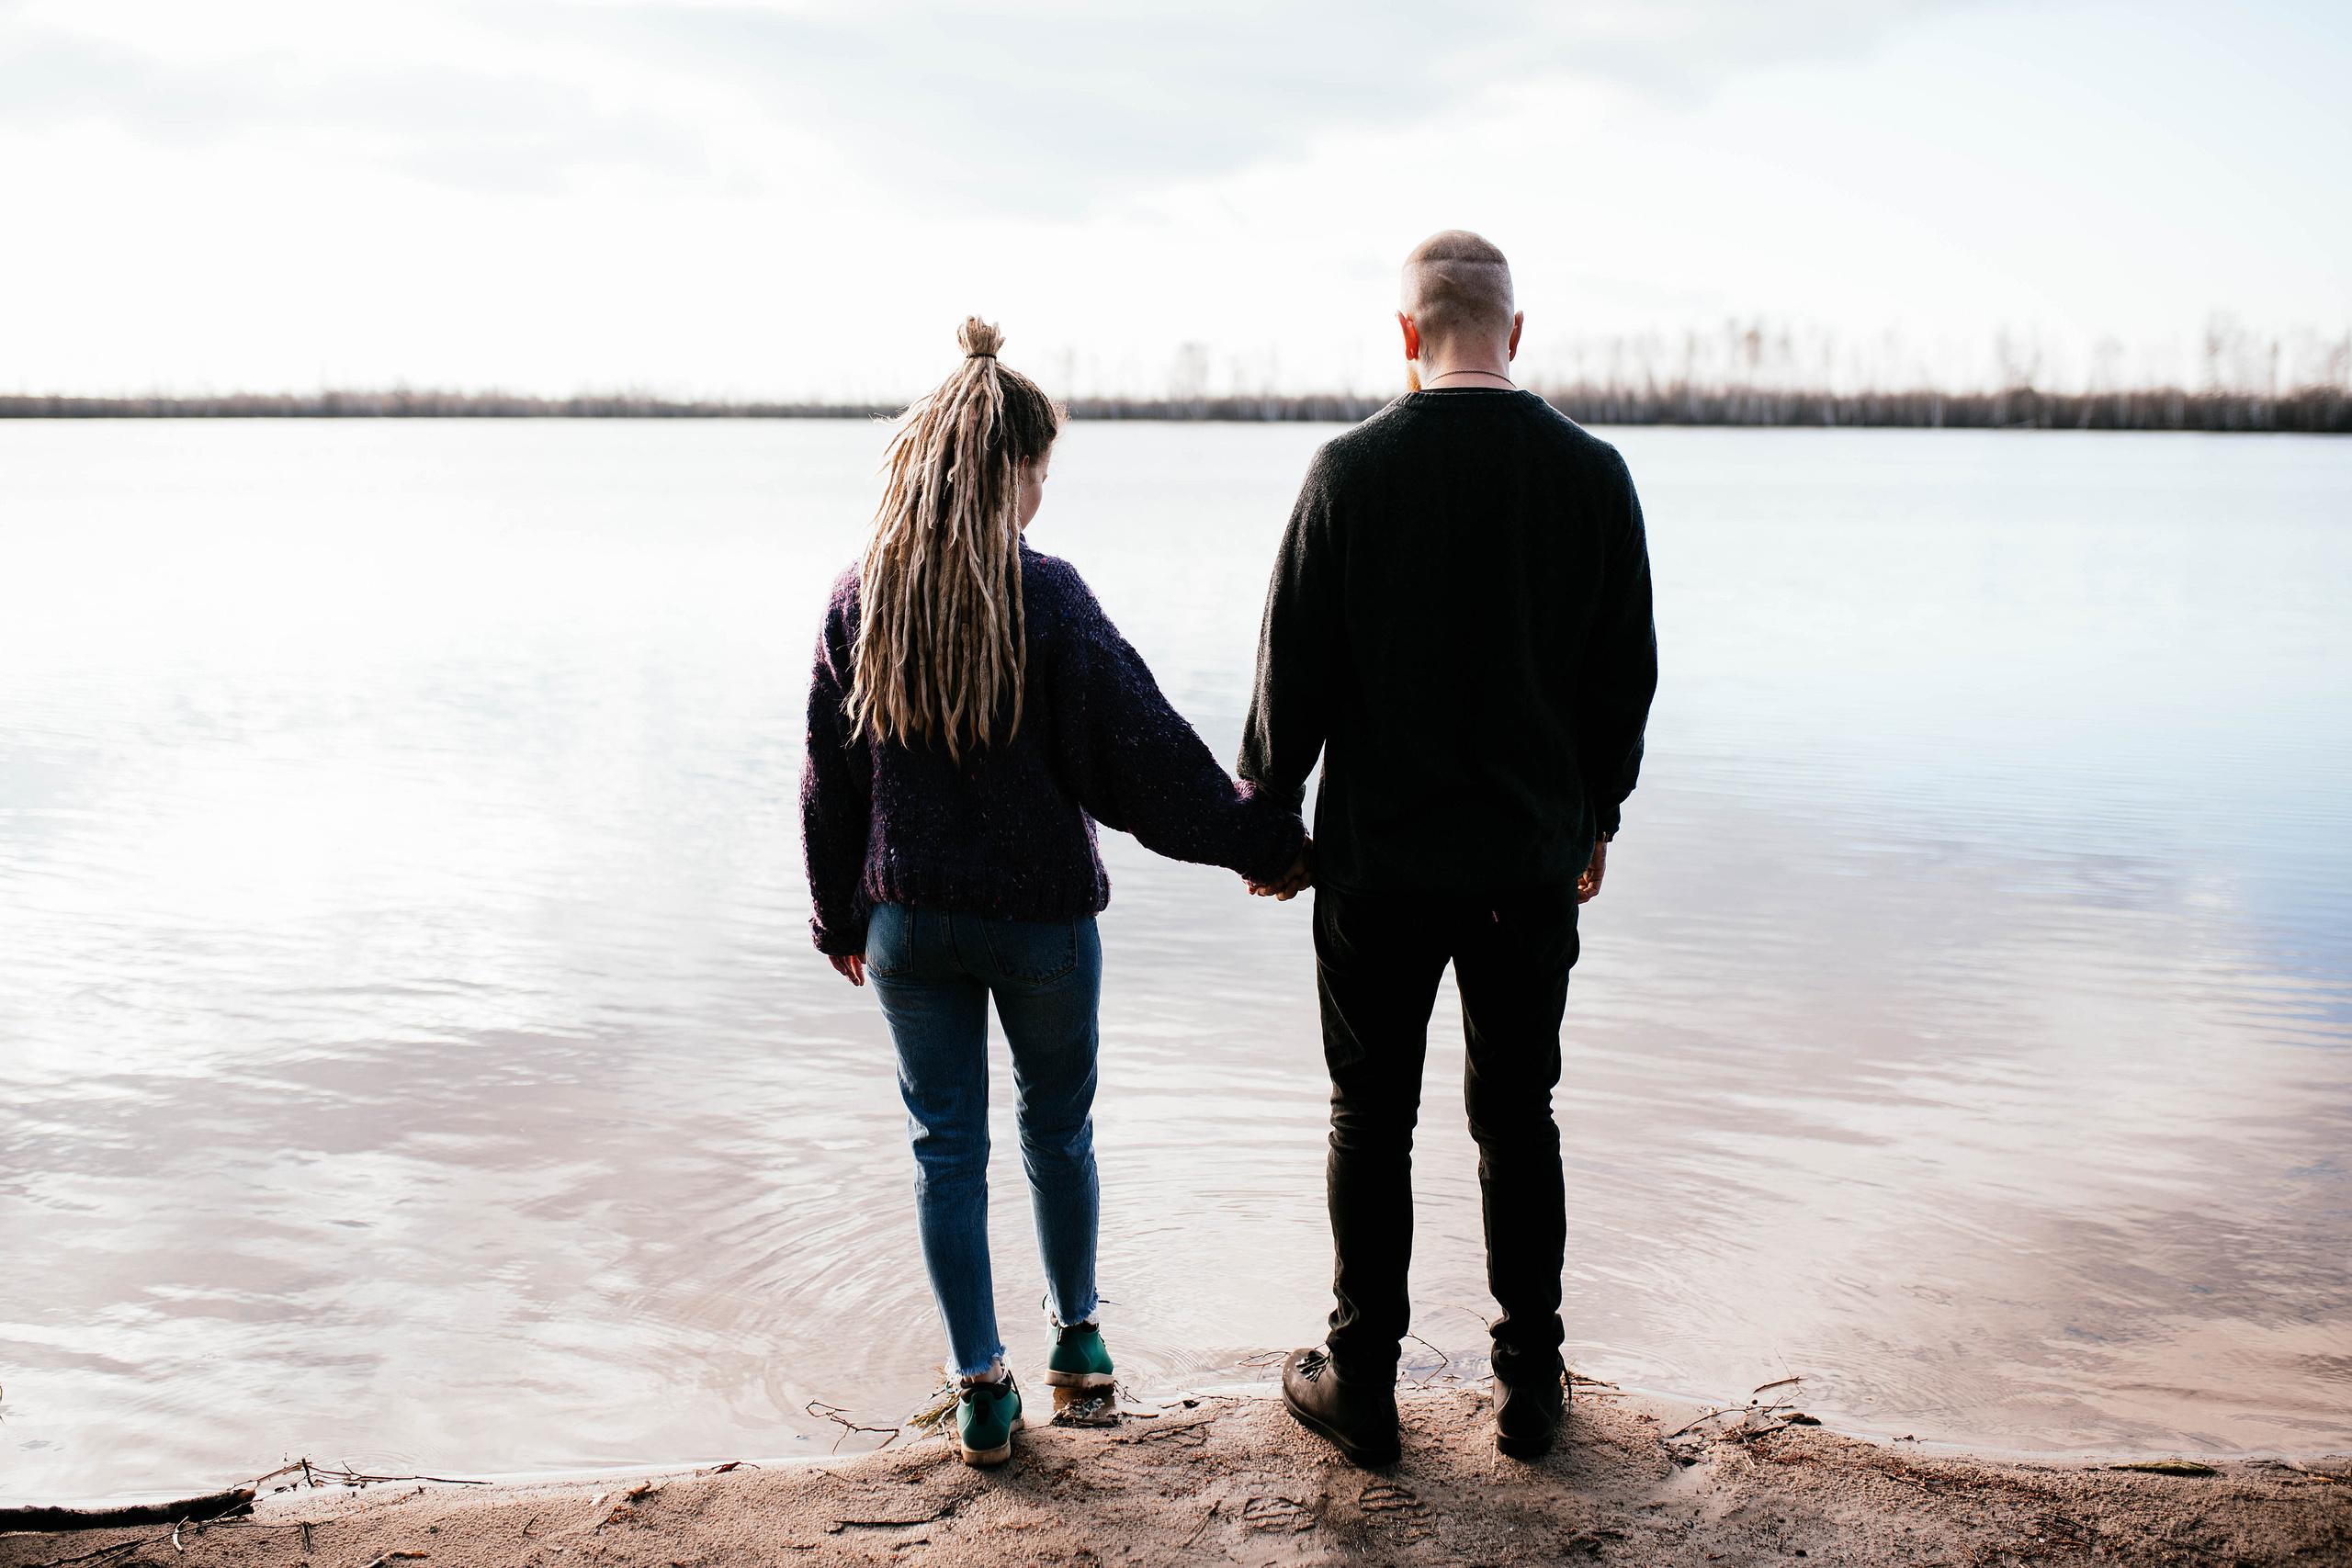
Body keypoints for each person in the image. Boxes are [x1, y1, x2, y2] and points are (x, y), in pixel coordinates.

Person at [800, 318, 1308, 1468]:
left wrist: (840, 917)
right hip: (1038, 925)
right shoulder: (1049, 595)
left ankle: (982, 1390)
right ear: (1016, 470)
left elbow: (829, 778)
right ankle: (1078, 1349)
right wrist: (1261, 842)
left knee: (944, 1150)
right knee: (1057, 1135)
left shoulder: (860, 595)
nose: (1041, 495)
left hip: (908, 925)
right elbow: (1147, 763)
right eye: (1042, 473)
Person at [1238, 231, 1657, 1465]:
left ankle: (1361, 1377)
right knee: (1518, 1114)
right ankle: (1531, 1386)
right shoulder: (1594, 476)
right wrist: (1597, 816)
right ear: (1515, 334)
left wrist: (1271, 814)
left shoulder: (1349, 472)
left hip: (1378, 866)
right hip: (1527, 866)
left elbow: (1290, 677)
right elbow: (1623, 682)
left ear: (1407, 337)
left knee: (1371, 1115)